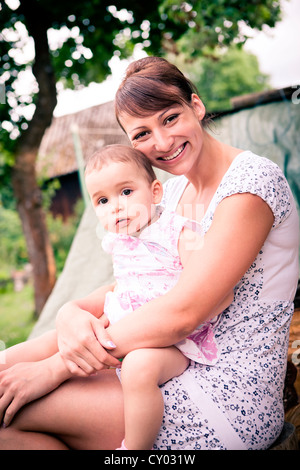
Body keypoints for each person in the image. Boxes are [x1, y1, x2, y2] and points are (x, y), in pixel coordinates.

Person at [0, 56, 298, 450]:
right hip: (161, 362)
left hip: (224, 393)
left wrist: (56, 368)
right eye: (141, 134)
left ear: (196, 105)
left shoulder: (249, 186)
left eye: (170, 118)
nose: (160, 142)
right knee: (8, 398)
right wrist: (71, 312)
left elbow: (185, 311)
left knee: (14, 407)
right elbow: (141, 278)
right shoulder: (172, 193)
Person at [84, 143, 232, 449]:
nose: (116, 206)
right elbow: (127, 285)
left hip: (175, 341)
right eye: (102, 200)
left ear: (154, 193)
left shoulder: (178, 233)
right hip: (131, 328)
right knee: (88, 338)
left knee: (139, 366)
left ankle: (135, 450)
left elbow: (209, 289)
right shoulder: (118, 242)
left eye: (126, 192)